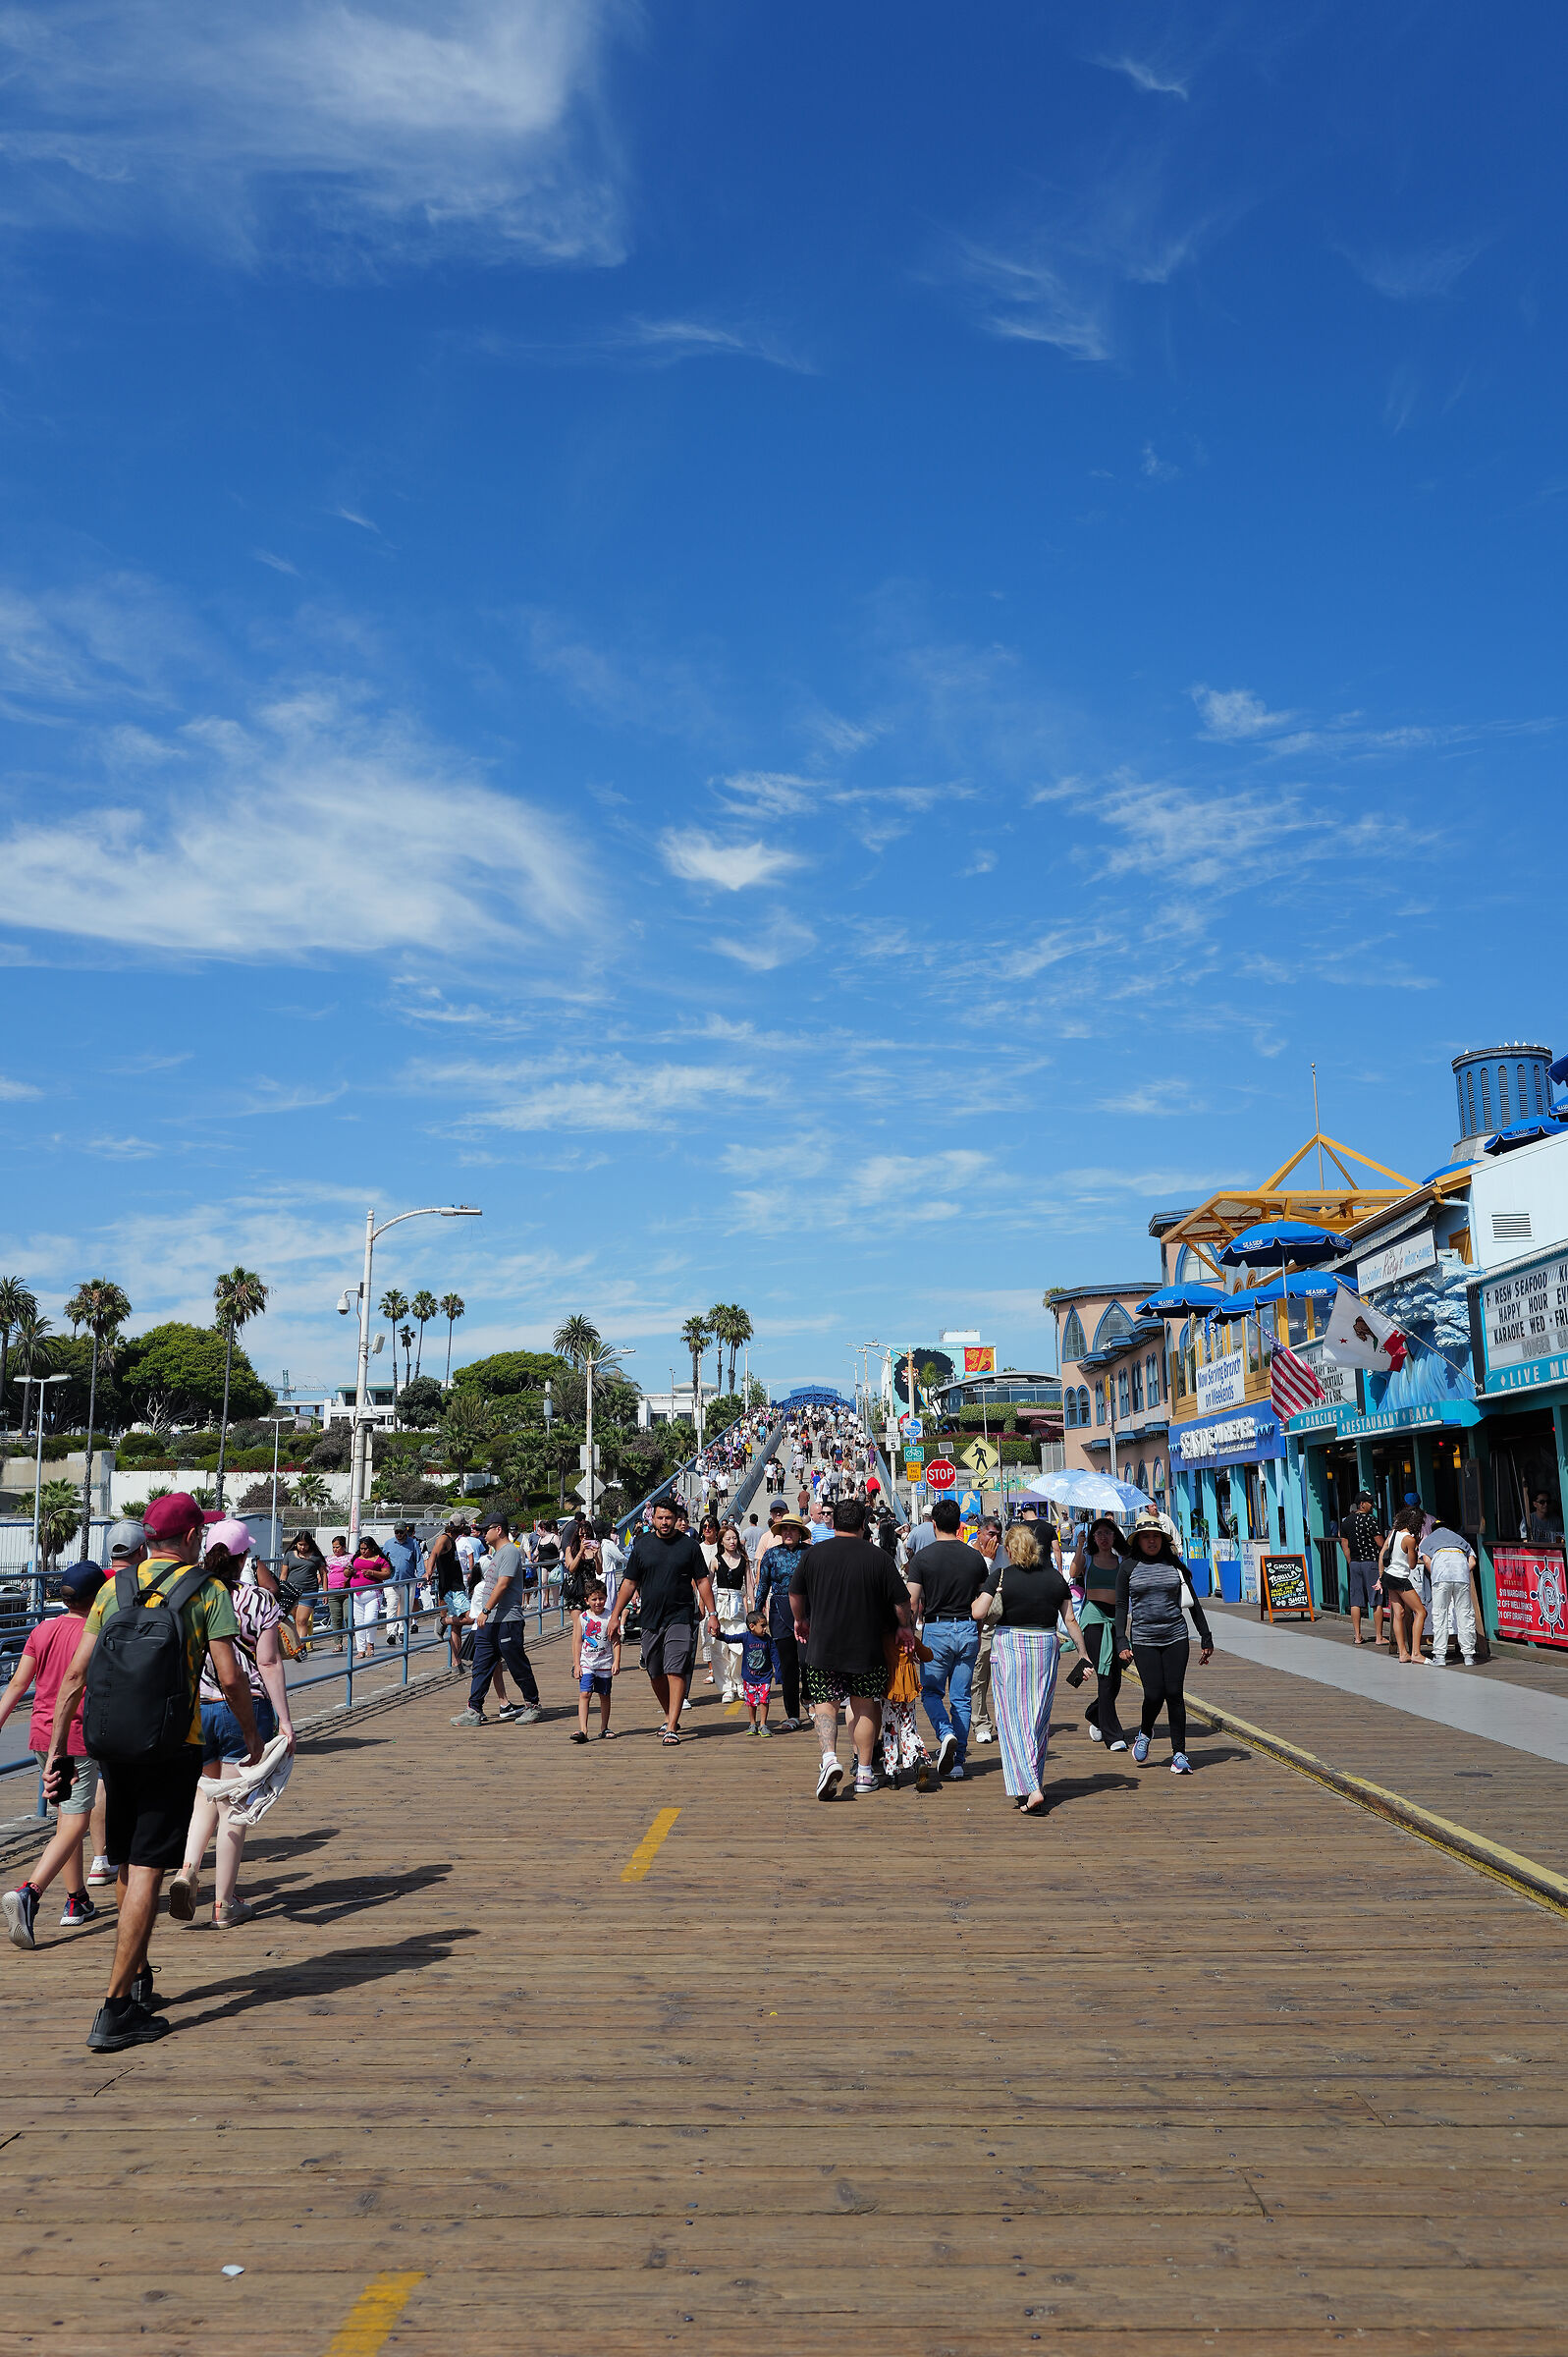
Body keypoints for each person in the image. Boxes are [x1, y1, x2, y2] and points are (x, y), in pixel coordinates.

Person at [41, 1492, 260, 2052]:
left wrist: (56, 1753)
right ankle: (116, 2010)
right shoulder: (208, 1592)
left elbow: (75, 1676)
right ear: (190, 1538)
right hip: (170, 1745)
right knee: (147, 1870)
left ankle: (138, 1978)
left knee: (123, 1858)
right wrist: (254, 1738)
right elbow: (232, 1679)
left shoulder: (114, 1588)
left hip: (109, 1741)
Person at [169, 1520, 297, 1929]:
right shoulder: (259, 1600)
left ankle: (187, 1870)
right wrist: (285, 1721)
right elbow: (270, 1662)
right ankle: (224, 1903)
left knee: (205, 1796)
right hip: (244, 1707)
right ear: (244, 1558)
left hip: (197, 1710)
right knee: (234, 1805)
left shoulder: (193, 1597)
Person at [1, 1561, 107, 1947]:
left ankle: (77, 1899)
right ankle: (29, 1892)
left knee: (67, 1818)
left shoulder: (42, 1629)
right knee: (76, 1824)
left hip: (41, 1737)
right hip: (77, 1739)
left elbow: (17, 1683)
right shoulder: (98, 1634)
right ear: (98, 1599)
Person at [789, 1497, 917, 1799]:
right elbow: (901, 1602)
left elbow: (795, 1594)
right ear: (863, 1525)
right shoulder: (877, 1557)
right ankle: (864, 1772)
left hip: (824, 1644)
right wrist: (904, 1627)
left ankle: (829, 1759)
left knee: (826, 1703)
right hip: (866, 1645)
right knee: (862, 1705)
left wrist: (800, 1621)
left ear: (833, 1523)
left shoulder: (814, 1555)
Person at [974, 1524, 1092, 1813]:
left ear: (1010, 1550)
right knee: (1037, 1717)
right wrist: (1084, 1655)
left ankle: (1032, 1786)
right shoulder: (1054, 1578)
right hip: (1045, 1646)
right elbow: (1071, 1621)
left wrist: (985, 1587)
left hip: (1011, 1646)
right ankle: (1032, 1782)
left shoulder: (1001, 1576)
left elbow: (978, 1612)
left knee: (1013, 1720)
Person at [605, 1499, 720, 1745]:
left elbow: (702, 1581)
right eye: (660, 1518)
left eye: (669, 1518)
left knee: (675, 1668)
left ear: (676, 1520)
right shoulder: (642, 1546)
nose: (665, 1522)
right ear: (652, 1519)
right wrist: (614, 1616)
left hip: (681, 1616)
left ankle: (671, 1727)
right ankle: (671, 1715)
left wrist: (712, 1614)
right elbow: (629, 1583)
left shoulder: (689, 1546)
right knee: (655, 1671)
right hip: (650, 1618)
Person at [1115, 1524, 1214, 1775]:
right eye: (1146, 1537)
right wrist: (1121, 1641)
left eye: (1156, 1537)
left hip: (1175, 1637)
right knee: (1153, 1694)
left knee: (1174, 1693)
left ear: (1162, 1540)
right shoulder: (1128, 1567)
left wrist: (1205, 1636)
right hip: (1144, 1639)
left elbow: (1193, 1603)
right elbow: (1120, 1607)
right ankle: (1145, 1731)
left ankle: (1179, 1753)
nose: (1151, 1541)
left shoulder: (1175, 1566)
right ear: (1138, 1541)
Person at [904, 1497, 988, 1781]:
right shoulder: (974, 1557)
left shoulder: (923, 1558)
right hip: (967, 1628)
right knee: (962, 1698)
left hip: (936, 1630)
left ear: (934, 1524)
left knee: (930, 1692)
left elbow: (912, 1601)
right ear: (960, 1526)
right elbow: (982, 1597)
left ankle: (945, 1732)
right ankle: (958, 1762)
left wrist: (909, 1634)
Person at [451, 1510, 543, 1728]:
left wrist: (485, 1609)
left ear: (498, 1529)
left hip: (506, 1620)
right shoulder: (496, 1555)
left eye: (486, 1529)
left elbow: (503, 1583)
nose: (482, 1533)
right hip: (489, 1622)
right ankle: (474, 1709)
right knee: (481, 1665)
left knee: (516, 1663)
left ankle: (533, 1705)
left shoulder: (510, 1551)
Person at [1071, 1517, 1129, 1752]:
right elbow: (1073, 1571)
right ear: (1093, 1537)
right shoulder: (1087, 1558)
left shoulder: (1122, 1560)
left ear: (1115, 1536)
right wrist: (1079, 1544)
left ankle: (1095, 1713)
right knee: (1104, 1676)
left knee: (1115, 1678)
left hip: (1117, 1620)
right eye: (1099, 1534)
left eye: (1108, 1533)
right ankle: (1113, 1734)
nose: (1104, 1537)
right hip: (1093, 1619)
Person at [753, 1512, 810, 1728]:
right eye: (784, 1529)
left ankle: (808, 1694)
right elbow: (762, 1585)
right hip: (779, 1610)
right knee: (787, 1666)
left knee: (807, 1661)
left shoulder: (810, 1553)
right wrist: (757, 1613)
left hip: (806, 1610)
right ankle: (793, 1715)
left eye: (793, 1529)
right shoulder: (771, 1554)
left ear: (800, 1533)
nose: (788, 1533)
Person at [1421, 1522, 1480, 1667]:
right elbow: (1472, 1562)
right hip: (1461, 1576)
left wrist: (1435, 1574)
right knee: (1465, 1614)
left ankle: (1440, 1656)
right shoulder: (1460, 1540)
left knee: (1440, 1614)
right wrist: (1461, 1572)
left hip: (1441, 1576)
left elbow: (1427, 1561)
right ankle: (1468, 1656)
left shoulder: (1428, 1540)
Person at [967, 1517, 1004, 1745]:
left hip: (1004, 1623)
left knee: (1005, 1678)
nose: (995, 1539)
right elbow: (973, 1587)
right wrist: (988, 1561)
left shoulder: (1006, 1553)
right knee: (979, 1677)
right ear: (979, 1533)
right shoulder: (970, 1554)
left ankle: (1005, 1721)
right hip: (981, 1625)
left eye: (998, 1534)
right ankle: (980, 1722)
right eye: (990, 1534)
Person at [570, 1579, 621, 1741]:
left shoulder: (610, 1617)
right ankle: (583, 1730)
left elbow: (616, 1642)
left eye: (601, 1598)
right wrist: (577, 1664)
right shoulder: (583, 1618)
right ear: (587, 1600)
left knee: (604, 1694)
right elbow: (577, 1641)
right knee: (585, 1693)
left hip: (604, 1662)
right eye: (594, 1599)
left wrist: (616, 1661)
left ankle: (604, 1727)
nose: (598, 1602)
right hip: (587, 1662)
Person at [1379, 1508, 1428, 1664]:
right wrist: (1415, 1548)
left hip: (1389, 1576)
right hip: (1400, 1578)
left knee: (1398, 1613)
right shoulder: (1409, 1539)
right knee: (1421, 1612)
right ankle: (1416, 1652)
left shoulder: (1393, 1533)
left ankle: (1403, 1653)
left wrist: (1380, 1577)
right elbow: (1412, 1565)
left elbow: (1382, 1554)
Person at [1337, 1493, 1383, 1645]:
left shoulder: (1346, 1522)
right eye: (1370, 1502)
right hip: (1371, 1562)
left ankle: (1357, 1636)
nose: (1373, 1505)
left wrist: (1351, 1562)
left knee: (1355, 1600)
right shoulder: (1371, 1520)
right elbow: (1380, 1542)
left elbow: (1345, 1546)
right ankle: (1378, 1637)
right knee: (1376, 1599)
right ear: (1362, 1504)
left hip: (1355, 1564)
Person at [710, 1524, 749, 1699]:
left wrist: (753, 1611)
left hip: (738, 1606)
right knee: (719, 1648)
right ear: (721, 1541)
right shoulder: (715, 1560)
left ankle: (739, 1681)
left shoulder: (744, 1559)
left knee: (739, 1647)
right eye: (728, 1538)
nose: (732, 1541)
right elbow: (706, 1586)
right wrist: (707, 1609)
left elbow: (749, 1587)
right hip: (720, 1605)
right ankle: (727, 1687)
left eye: (734, 1538)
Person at [726, 1609, 778, 1734]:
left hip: (765, 1677)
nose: (765, 1628)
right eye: (762, 1626)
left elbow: (775, 1656)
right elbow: (731, 1639)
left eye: (766, 1625)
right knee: (751, 1702)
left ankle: (763, 1724)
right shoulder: (746, 1637)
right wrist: (719, 1635)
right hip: (749, 1677)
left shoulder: (768, 1640)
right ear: (752, 1626)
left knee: (764, 1700)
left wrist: (779, 1673)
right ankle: (752, 1723)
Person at [428, 1522, 467, 1669]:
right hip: (451, 1588)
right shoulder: (444, 1538)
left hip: (456, 1586)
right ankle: (443, 1621)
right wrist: (429, 1572)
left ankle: (457, 1662)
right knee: (470, 1618)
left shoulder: (453, 1540)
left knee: (457, 1626)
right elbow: (434, 1554)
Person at [281, 1532, 324, 1654]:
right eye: (300, 1544)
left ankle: (301, 1648)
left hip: (309, 1591)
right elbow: (284, 1573)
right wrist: (280, 1590)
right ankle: (296, 1645)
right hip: (291, 1592)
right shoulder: (289, 1555)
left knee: (302, 1620)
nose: (303, 1547)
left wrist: (325, 1592)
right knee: (294, 1619)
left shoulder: (316, 1556)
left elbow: (323, 1574)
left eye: (305, 1545)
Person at [348, 1533, 389, 1659]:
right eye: (361, 1549)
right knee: (359, 1622)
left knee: (370, 1620)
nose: (363, 1551)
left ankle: (370, 1643)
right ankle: (360, 1649)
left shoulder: (380, 1559)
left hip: (373, 1594)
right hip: (356, 1594)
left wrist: (372, 1573)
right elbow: (345, 1573)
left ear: (372, 1548)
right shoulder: (356, 1558)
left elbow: (387, 1574)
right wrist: (348, 1570)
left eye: (366, 1548)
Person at [383, 1521, 423, 1641]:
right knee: (391, 1607)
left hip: (408, 1581)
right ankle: (391, 1632)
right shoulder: (388, 1544)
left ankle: (402, 1631)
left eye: (401, 1532)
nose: (399, 1534)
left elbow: (419, 1560)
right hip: (391, 1581)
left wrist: (421, 1576)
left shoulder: (413, 1543)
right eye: (396, 1532)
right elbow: (382, 1561)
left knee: (406, 1608)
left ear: (405, 1532)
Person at [324, 1534, 352, 1649]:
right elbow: (324, 1575)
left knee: (347, 1616)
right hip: (332, 1590)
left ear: (344, 1547)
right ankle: (338, 1643)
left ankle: (351, 1640)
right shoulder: (328, 1559)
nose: (335, 1550)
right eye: (333, 1547)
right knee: (336, 1618)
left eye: (337, 1547)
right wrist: (325, 1593)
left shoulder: (351, 1557)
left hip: (347, 1590)